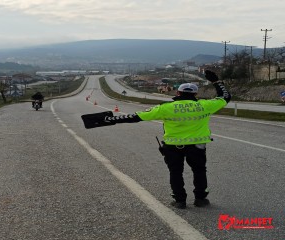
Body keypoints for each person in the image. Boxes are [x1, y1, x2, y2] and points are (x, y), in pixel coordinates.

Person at [81, 70, 231, 209]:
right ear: (195, 94)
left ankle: (180, 201)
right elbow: (225, 97)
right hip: (197, 146)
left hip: (173, 147)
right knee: (199, 171)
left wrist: (111, 119)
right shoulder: (205, 105)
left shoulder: (165, 108)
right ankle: (200, 199)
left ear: (178, 92)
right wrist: (217, 82)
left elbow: (136, 117)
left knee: (175, 173)